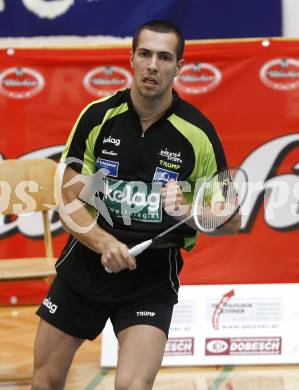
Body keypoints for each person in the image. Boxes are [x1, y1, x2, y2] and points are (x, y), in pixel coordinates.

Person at [31, 20, 240, 390]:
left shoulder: (198, 135)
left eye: (164, 57)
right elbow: (68, 200)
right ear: (131, 58)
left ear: (179, 67)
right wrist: (103, 243)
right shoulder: (98, 118)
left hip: (151, 276)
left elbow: (230, 219)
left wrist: (187, 211)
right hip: (85, 266)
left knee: (132, 386)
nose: (153, 65)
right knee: (45, 381)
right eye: (145, 54)